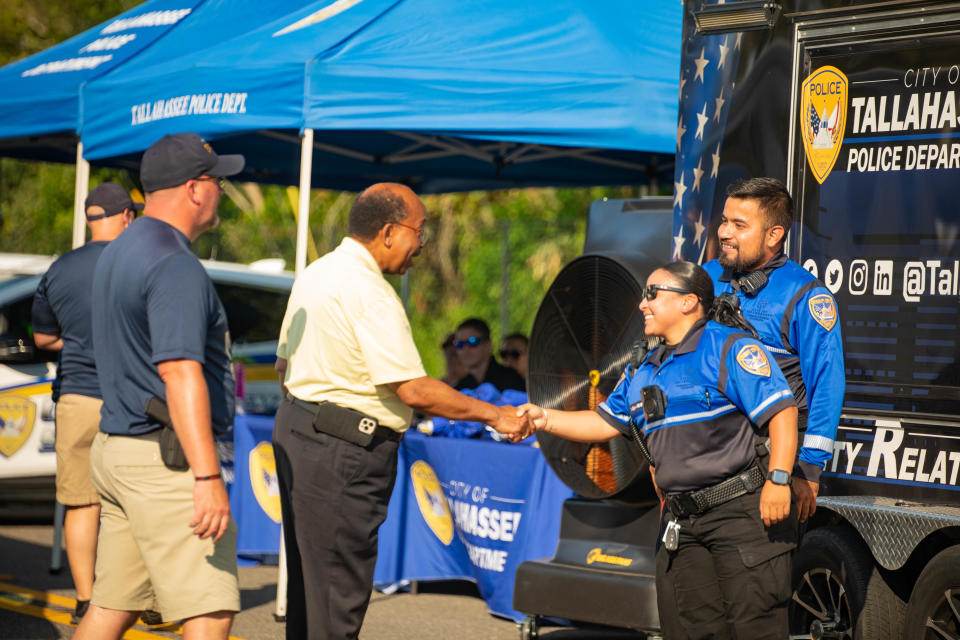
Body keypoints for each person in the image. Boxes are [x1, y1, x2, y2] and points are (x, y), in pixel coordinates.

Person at [272, 183, 530, 640]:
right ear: (389, 232)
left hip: (300, 432)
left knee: (310, 601)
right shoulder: (370, 291)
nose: (422, 245)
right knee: (334, 607)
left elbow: (282, 365)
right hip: (342, 450)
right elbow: (412, 389)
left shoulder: (315, 273)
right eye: (419, 231)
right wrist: (496, 415)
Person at [518, 261, 799, 639]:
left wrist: (779, 480)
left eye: (652, 293)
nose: (641, 304)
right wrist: (542, 419)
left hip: (739, 516)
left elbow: (782, 412)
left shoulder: (730, 348)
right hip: (681, 524)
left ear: (688, 302)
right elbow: (604, 423)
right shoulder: (643, 368)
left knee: (755, 629)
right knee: (689, 630)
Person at [75, 133, 244, 640]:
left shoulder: (120, 249)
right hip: (161, 459)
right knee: (210, 610)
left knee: (111, 608)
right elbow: (179, 371)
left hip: (119, 449)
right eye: (217, 181)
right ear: (194, 189)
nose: (222, 192)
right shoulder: (174, 263)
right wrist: (207, 476)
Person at [704, 177, 844, 523]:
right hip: (700, 462)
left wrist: (808, 467)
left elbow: (826, 385)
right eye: (724, 220)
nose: (724, 232)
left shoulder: (806, 296)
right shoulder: (703, 279)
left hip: (765, 469)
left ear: (773, 235)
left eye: (739, 224)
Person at [31, 182, 137, 623]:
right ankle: (131, 597)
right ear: (127, 217)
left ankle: (84, 599)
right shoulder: (138, 264)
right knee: (130, 504)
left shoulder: (60, 269)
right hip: (128, 398)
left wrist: (76, 342)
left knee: (80, 502)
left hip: (76, 395)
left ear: (91, 219)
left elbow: (42, 337)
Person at [453, 318, 525, 392]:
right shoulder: (460, 389)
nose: (466, 349)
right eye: (460, 344)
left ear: (488, 345)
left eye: (473, 342)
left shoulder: (511, 379)